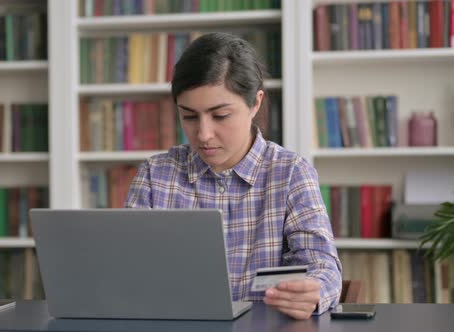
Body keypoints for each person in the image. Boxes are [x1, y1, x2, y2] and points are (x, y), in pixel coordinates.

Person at [124, 32, 341, 320]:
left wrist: (313, 291)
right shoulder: (156, 174)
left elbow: (322, 266)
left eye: (220, 115)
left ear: (255, 103)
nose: (203, 134)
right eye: (189, 116)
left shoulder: (290, 174)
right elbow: (126, 270)